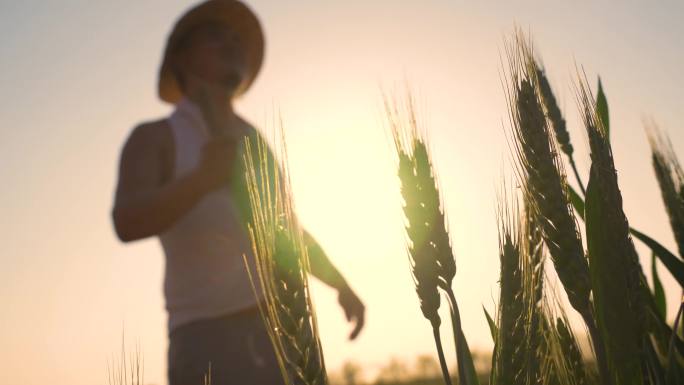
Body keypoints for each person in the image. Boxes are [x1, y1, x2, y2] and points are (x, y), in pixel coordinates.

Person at [110, 1, 365, 384]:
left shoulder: (255, 140)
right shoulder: (155, 139)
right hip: (205, 337)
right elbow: (126, 221)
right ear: (182, 56)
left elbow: (285, 228)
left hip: (286, 327)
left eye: (237, 39)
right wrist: (201, 179)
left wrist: (339, 283)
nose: (232, 43)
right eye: (215, 35)